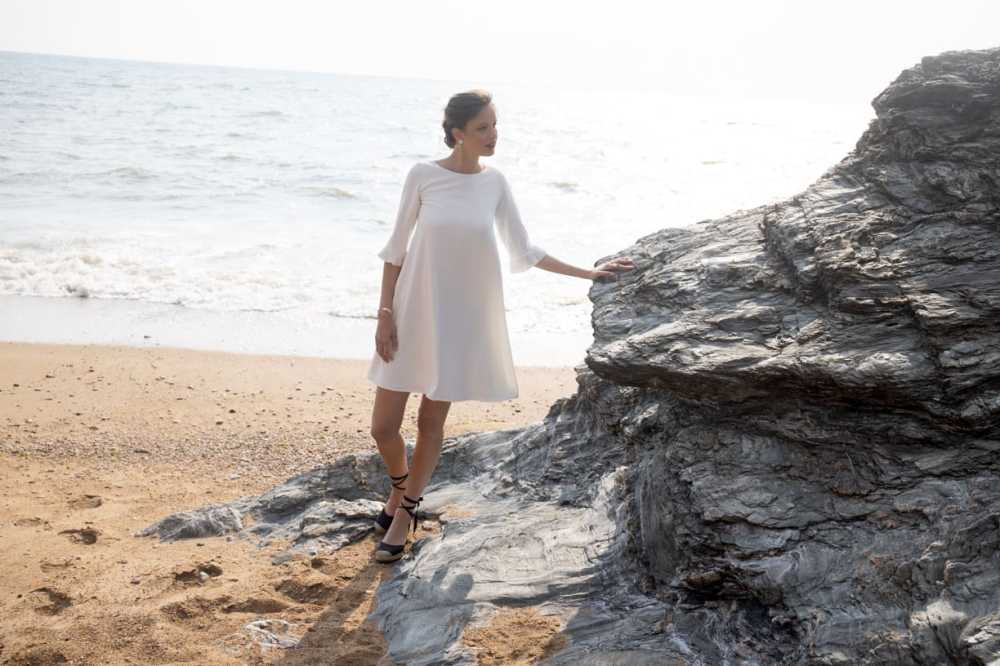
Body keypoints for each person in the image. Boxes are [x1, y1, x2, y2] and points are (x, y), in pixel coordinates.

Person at [365, 89, 635, 563]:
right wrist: (384, 314)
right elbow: (395, 250)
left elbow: (523, 249)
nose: (494, 135)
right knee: (383, 427)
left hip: (459, 320)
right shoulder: (423, 175)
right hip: (410, 312)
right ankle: (400, 488)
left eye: (495, 125)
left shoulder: (495, 184)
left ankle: (405, 511)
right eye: (483, 128)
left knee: (430, 423)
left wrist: (589, 272)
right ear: (458, 134)